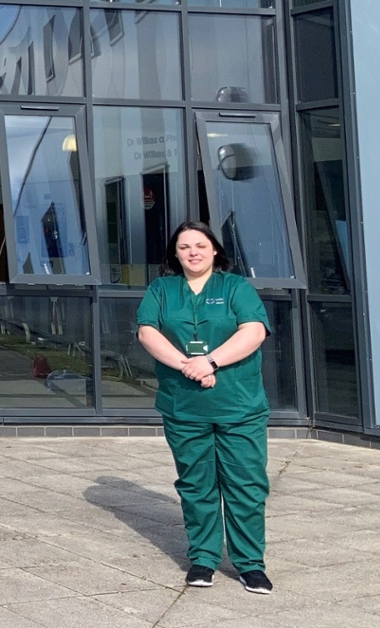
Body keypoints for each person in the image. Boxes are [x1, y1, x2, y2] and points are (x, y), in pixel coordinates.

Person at [136, 221, 273, 595]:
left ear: (214, 250)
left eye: (200, 245)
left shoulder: (235, 287)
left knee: (246, 484)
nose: (193, 252)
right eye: (184, 247)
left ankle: (250, 564)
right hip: (185, 407)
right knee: (197, 486)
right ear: (175, 254)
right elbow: (147, 332)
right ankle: (204, 558)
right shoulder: (161, 290)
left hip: (239, 407)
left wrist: (210, 362)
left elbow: (254, 331)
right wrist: (189, 366)